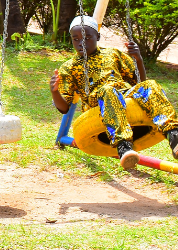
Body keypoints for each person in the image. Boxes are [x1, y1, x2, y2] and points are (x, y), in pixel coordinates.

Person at [50, 15, 178, 169]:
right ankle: (123, 146)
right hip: (96, 103)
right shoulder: (69, 67)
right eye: (75, 39)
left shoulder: (113, 54)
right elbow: (64, 108)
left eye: (87, 38)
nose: (81, 43)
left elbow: (139, 82)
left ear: (98, 37)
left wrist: (138, 59)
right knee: (107, 90)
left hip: (123, 93)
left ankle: (174, 135)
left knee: (151, 85)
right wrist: (55, 92)